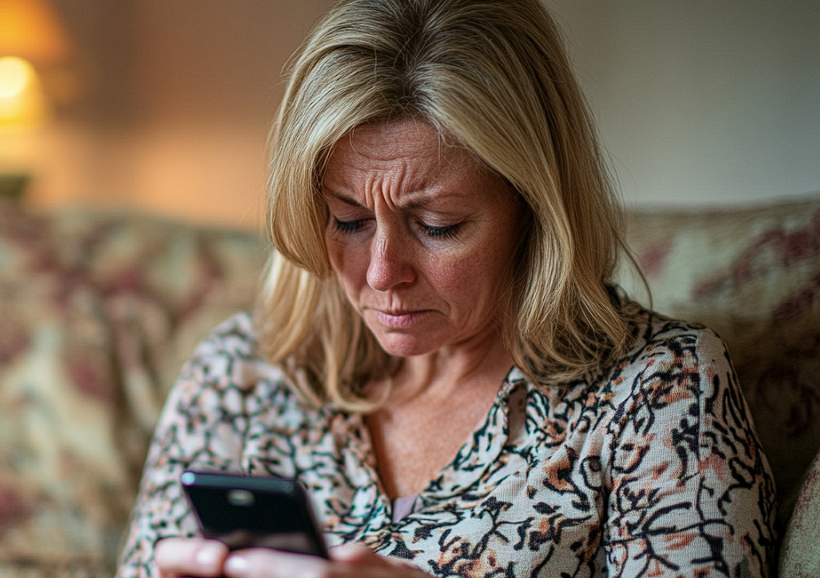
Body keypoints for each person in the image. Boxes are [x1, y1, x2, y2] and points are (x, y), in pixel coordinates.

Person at [115, 0, 776, 576]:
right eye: (346, 219)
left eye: (437, 225)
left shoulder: (658, 393)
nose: (379, 274)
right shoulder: (242, 375)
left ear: (533, 207)